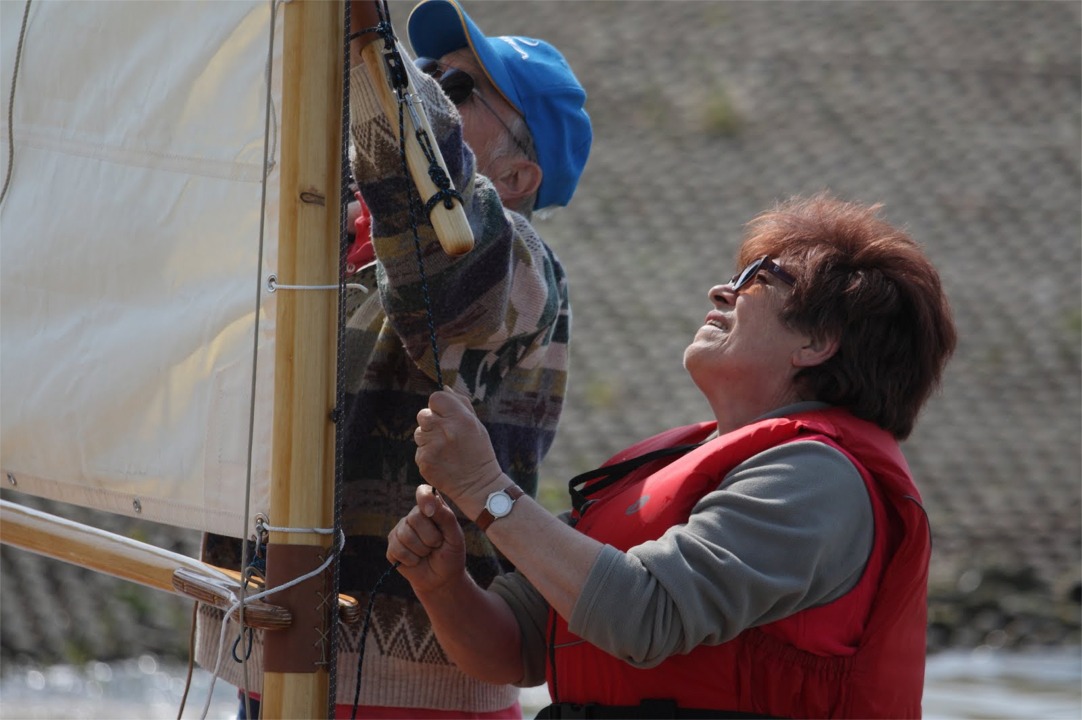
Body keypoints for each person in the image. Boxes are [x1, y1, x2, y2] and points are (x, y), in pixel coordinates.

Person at [390, 194, 957, 719]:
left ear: (817, 342)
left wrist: (486, 489)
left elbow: (644, 617)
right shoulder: (667, 465)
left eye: (759, 279)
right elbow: (512, 648)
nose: (722, 291)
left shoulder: (817, 480)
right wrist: (443, 584)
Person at [194, 0, 592, 718]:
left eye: (458, 89)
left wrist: (370, 50)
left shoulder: (525, 268)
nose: (430, 87)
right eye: (430, 75)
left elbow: (435, 234)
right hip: (274, 656)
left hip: (414, 692)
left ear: (519, 175)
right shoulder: (324, 244)